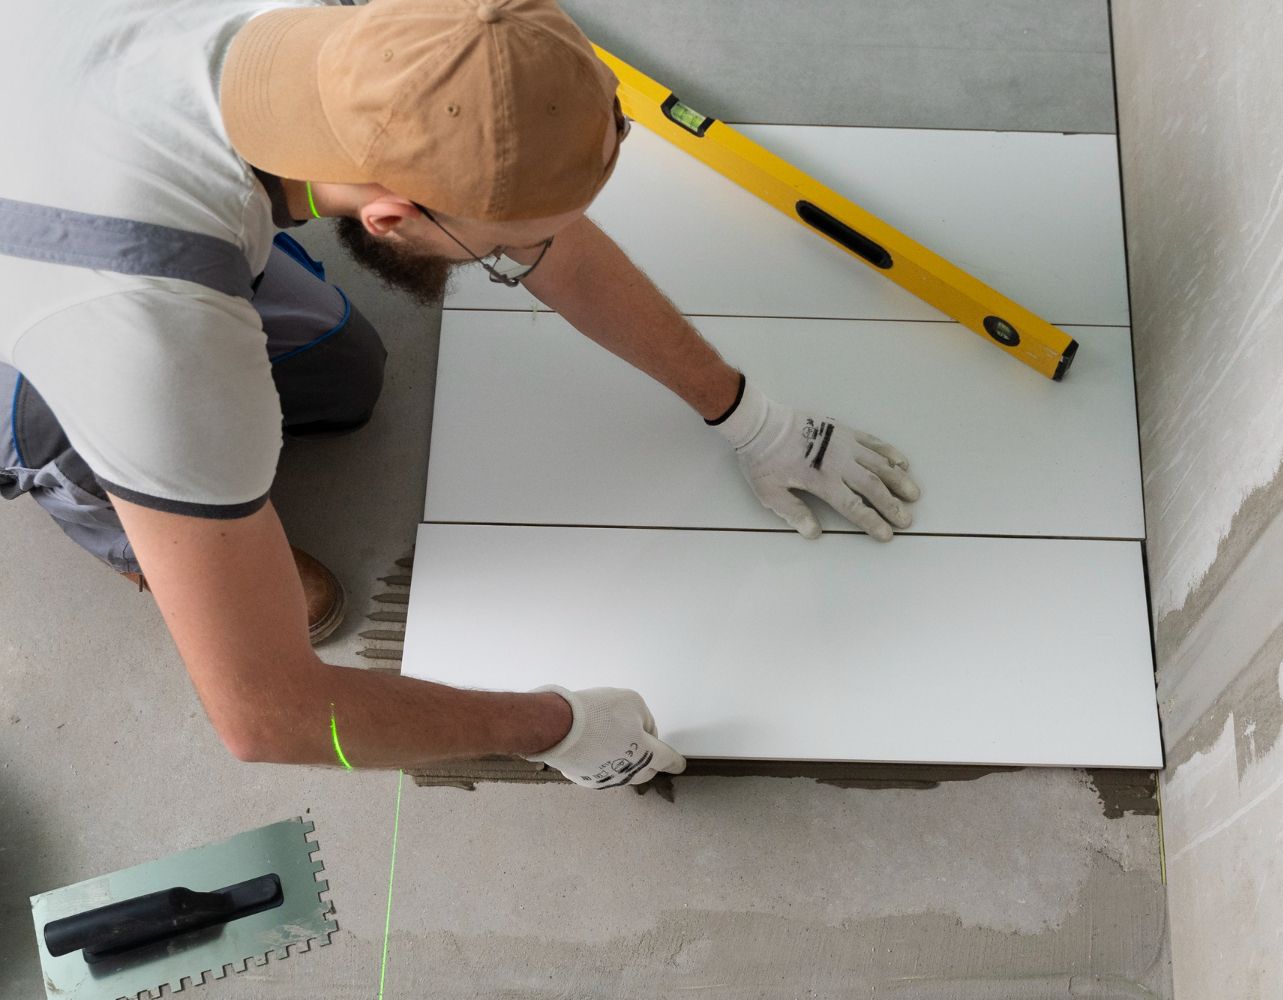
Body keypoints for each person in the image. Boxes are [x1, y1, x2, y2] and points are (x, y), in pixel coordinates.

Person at [0, 0, 921, 789]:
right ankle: (106, 508)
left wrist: (747, 416)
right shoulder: (154, 336)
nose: (516, 259)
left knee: (343, 374)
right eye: (500, 253)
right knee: (167, 460)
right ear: (390, 216)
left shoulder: (409, 38)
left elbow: (528, 213)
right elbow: (268, 717)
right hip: (57, 292)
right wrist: (553, 727)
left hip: (70, 123)